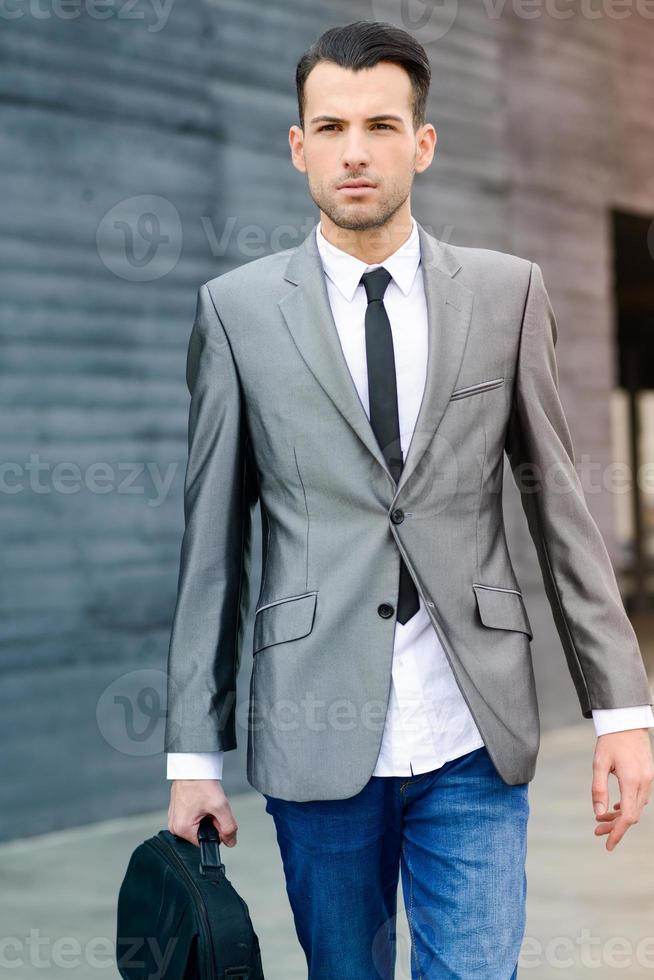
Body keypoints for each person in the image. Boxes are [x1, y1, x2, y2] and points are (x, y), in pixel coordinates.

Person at [164, 20, 654, 978]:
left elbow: (561, 509)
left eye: (382, 125)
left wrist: (622, 711)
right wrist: (193, 759)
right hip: (315, 730)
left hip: (473, 727)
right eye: (332, 126)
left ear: (422, 143)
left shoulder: (507, 293)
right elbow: (211, 549)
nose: (357, 150)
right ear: (298, 145)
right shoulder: (237, 311)